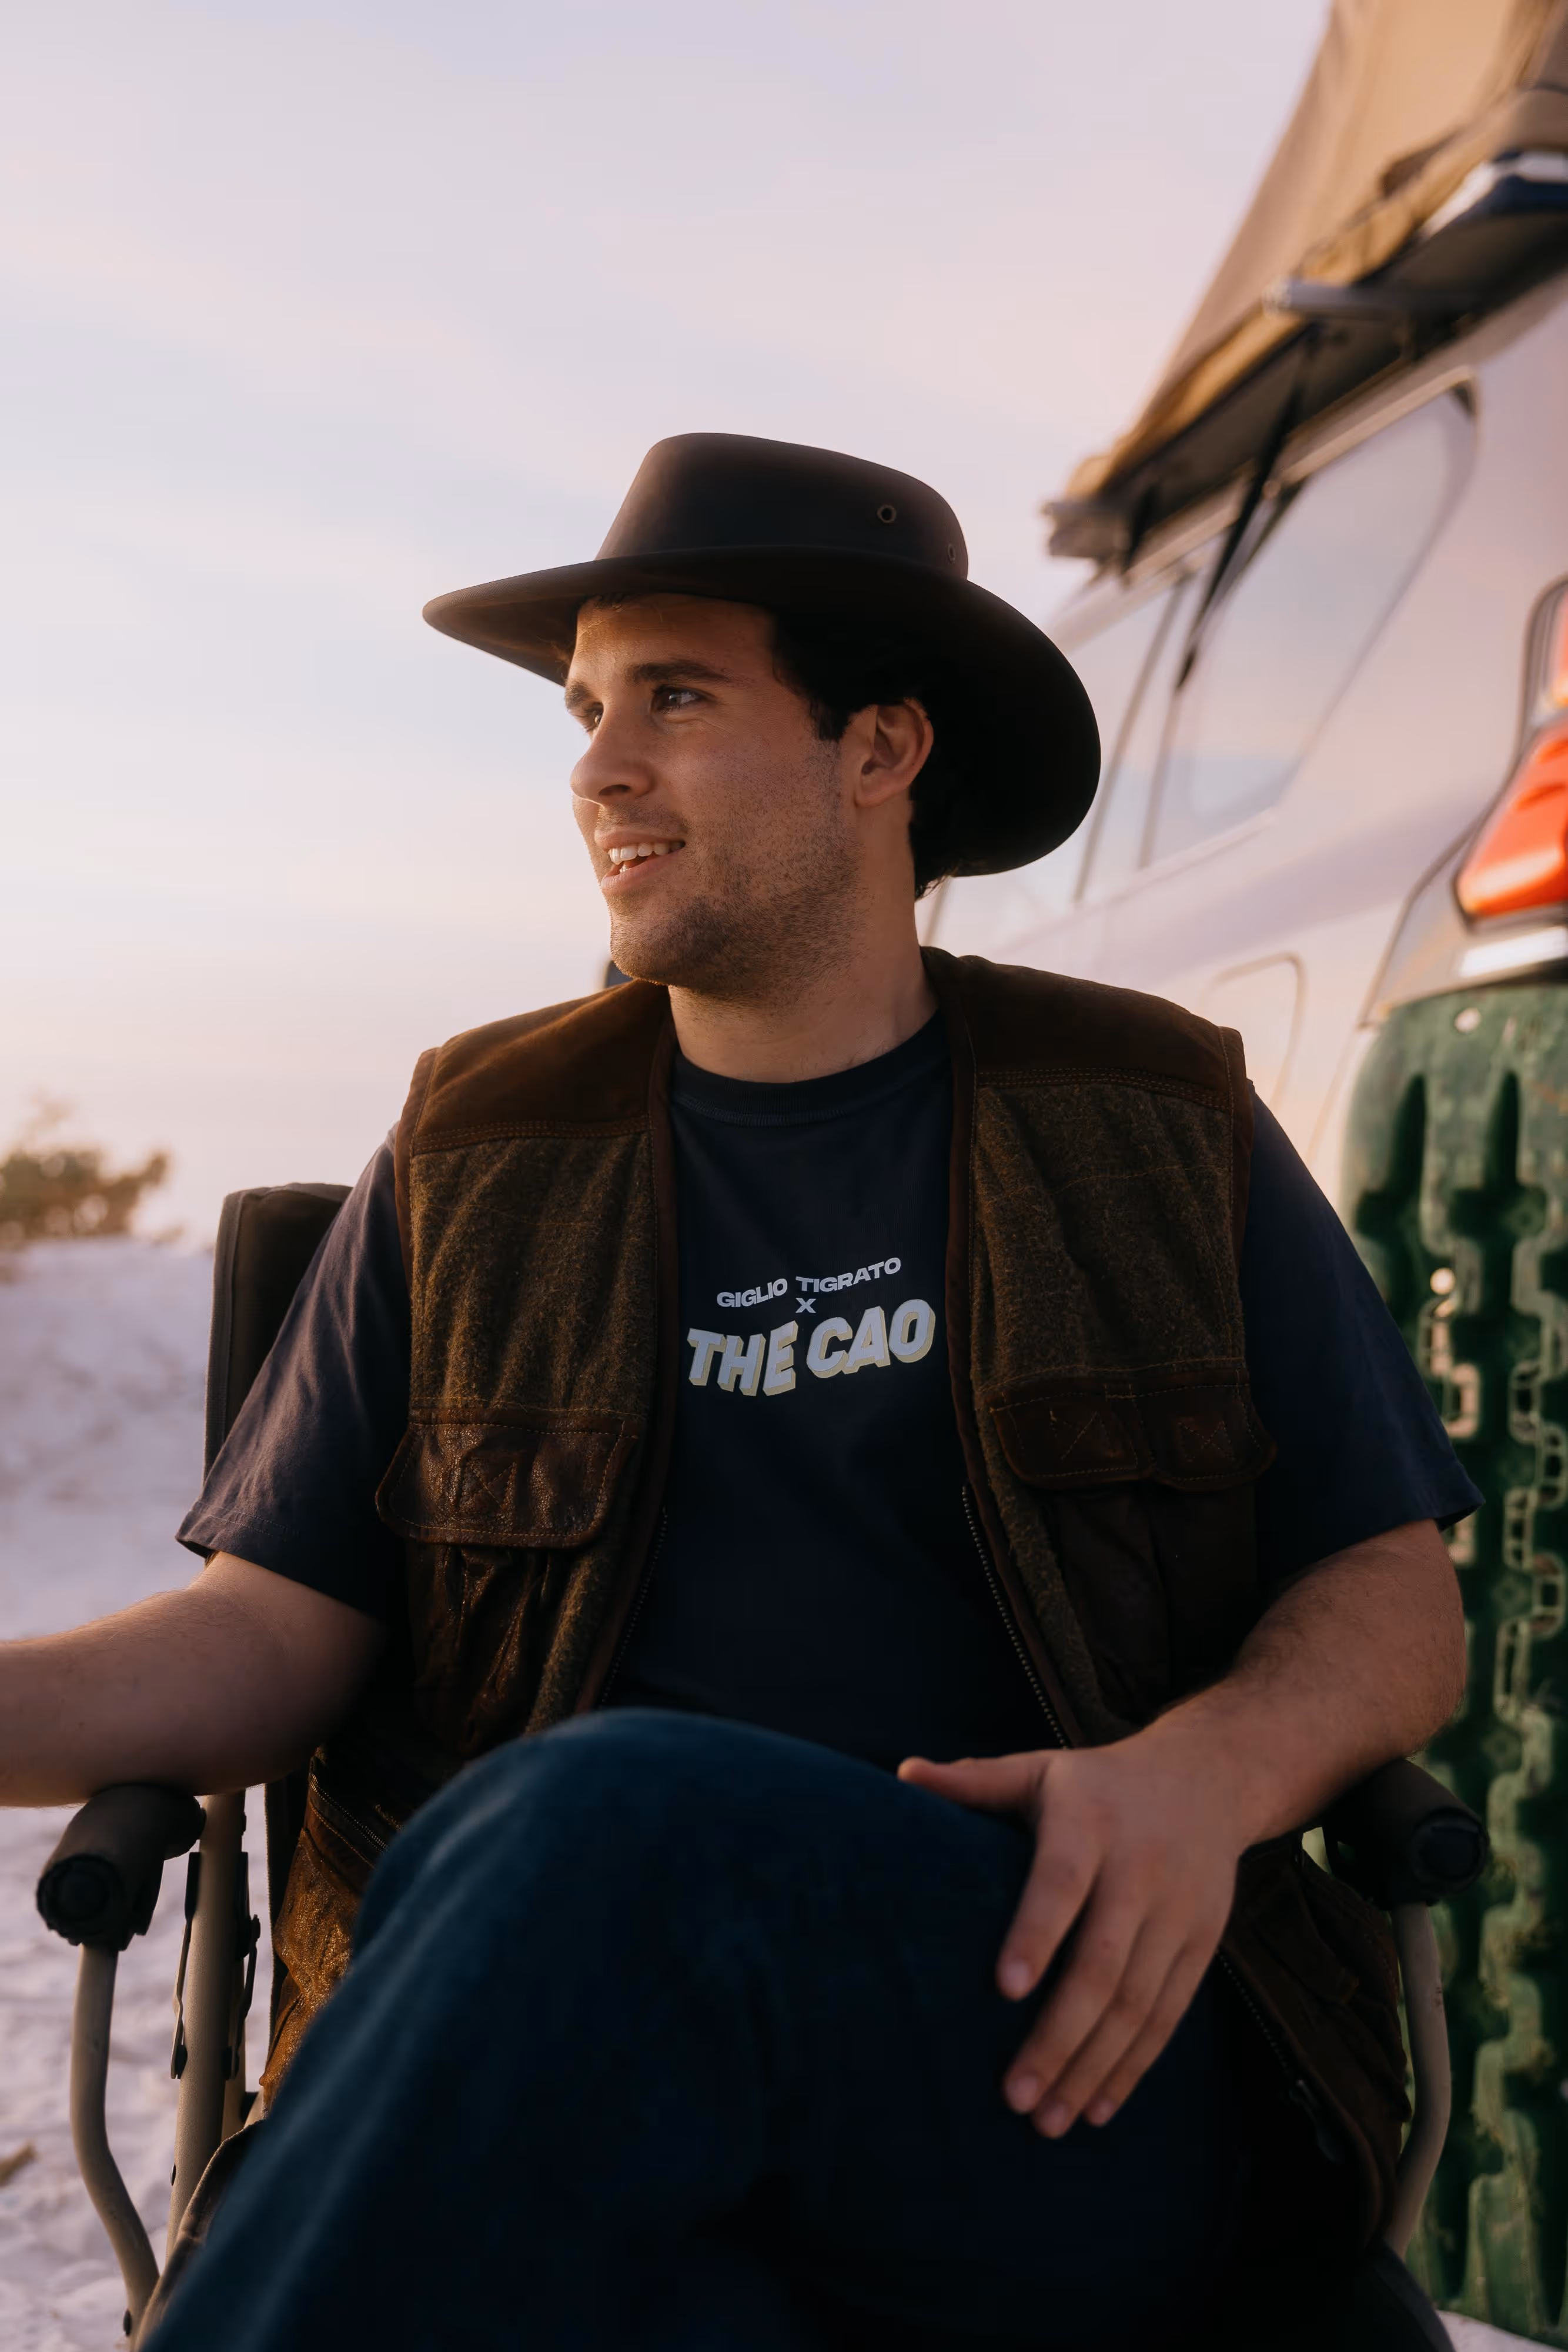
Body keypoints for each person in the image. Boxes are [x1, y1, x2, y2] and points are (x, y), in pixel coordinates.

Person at [4, 437, 1475, 2350]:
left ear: (883, 749)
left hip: (1048, 2048)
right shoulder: (477, 1148)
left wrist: (1216, 1771)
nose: (599, 769)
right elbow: (265, 1632)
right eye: (588, 710)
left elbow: (1394, 1598)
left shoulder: (1155, 1122)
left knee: (602, 1824)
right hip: (554, 2045)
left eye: (676, 699)